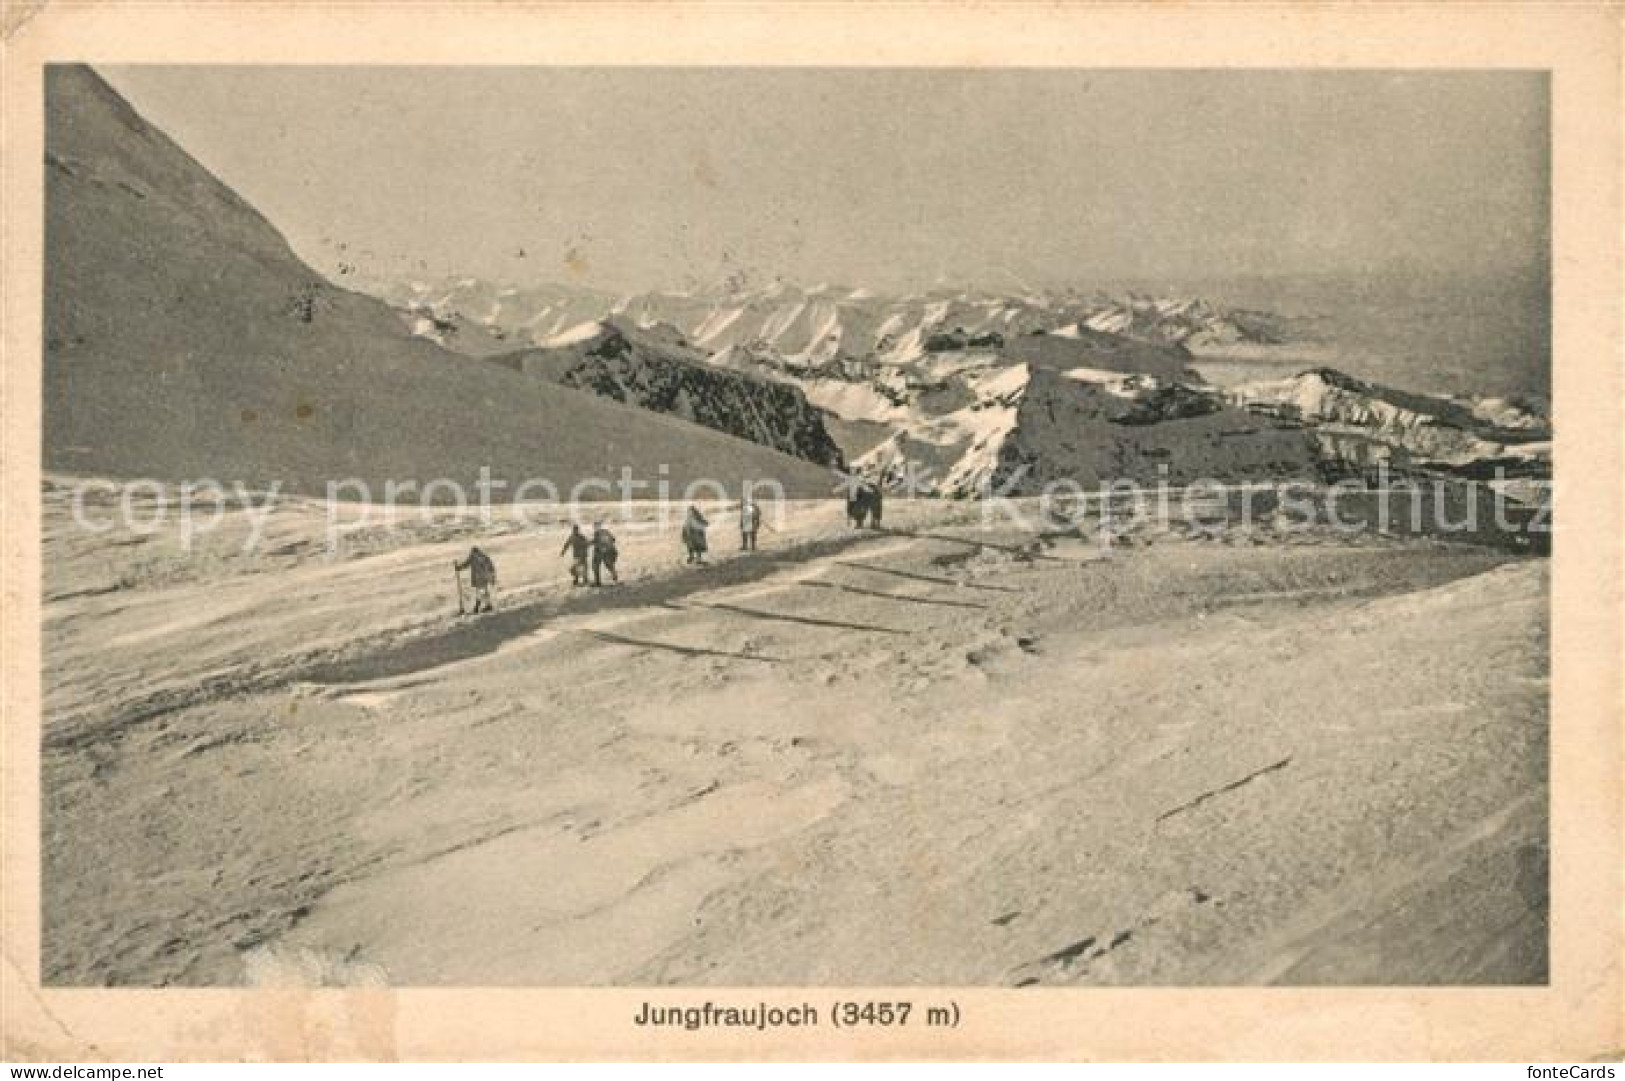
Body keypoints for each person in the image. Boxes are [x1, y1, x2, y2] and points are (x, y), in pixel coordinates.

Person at [454, 545, 497, 613]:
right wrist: (459, 568)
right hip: (481, 578)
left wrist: (459, 568)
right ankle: (486, 605)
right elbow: (466, 564)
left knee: (481, 592)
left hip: (481, 578)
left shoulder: (480, 557)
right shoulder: (480, 557)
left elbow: (490, 567)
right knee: (483, 592)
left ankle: (478, 606)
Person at [590, 521, 619, 586]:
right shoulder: (606, 531)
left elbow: (597, 542)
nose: (594, 528)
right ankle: (615, 579)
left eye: (595, 526)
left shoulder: (597, 533)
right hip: (610, 551)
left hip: (602, 552)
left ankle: (597, 582)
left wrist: (592, 543)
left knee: (595, 566)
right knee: (609, 566)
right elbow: (613, 539)